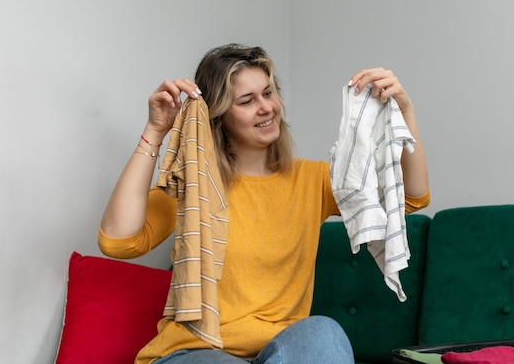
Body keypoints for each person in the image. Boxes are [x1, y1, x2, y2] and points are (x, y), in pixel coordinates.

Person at [98, 43, 430, 364]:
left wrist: (404, 110)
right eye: (247, 100)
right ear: (219, 116)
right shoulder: (196, 186)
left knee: (324, 332)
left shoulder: (312, 181)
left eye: (268, 93)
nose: (266, 107)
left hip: (283, 351)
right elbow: (119, 241)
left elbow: (411, 199)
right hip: (192, 353)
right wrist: (156, 130)